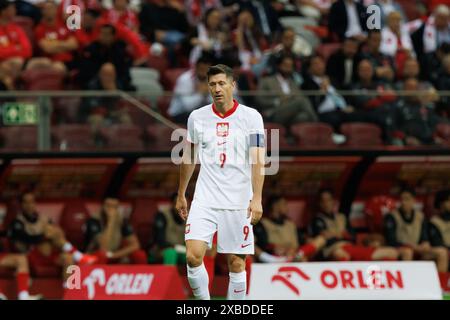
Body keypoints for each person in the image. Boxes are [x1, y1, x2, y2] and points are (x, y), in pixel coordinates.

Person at [176, 64, 265, 300]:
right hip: (205, 198)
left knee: (236, 264)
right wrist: (181, 193)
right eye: (212, 84)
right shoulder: (197, 117)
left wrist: (256, 198)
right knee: (193, 256)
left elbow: (258, 160)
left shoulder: (251, 117)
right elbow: (189, 157)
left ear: (232, 85)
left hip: (238, 200)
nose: (217, 88)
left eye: (222, 83)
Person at [7, 192, 98, 284]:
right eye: (26, 202)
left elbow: (59, 234)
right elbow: (28, 239)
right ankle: (78, 255)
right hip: (32, 255)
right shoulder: (17, 222)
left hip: (50, 253)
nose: (29, 205)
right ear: (21, 205)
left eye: (32, 202)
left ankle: (69, 291)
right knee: (50, 231)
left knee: (68, 258)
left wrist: (54, 233)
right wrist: (46, 235)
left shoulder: (43, 218)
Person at [311, 188, 399, 261]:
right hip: (333, 249)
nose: (326, 204)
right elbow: (323, 240)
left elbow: (352, 236)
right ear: (320, 203)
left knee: (392, 252)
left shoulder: (341, 217)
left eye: (329, 200)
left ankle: (381, 280)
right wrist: (341, 234)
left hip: (351, 247)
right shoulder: (317, 219)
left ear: (333, 201)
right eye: (323, 201)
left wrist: (335, 234)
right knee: (341, 254)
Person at [384, 187, 449, 272]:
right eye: (401, 199)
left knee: (442, 252)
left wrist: (425, 243)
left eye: (407, 199)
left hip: (419, 249)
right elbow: (391, 241)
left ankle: (440, 282)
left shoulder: (420, 216)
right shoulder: (392, 216)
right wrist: (412, 246)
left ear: (413, 200)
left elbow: (424, 236)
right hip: (401, 249)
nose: (403, 202)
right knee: (408, 252)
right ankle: (407, 281)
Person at [253, 195, 326, 263]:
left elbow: (301, 240)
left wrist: (307, 241)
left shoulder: (290, 224)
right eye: (284, 204)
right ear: (275, 206)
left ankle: (297, 255)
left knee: (320, 240)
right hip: (277, 256)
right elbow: (262, 244)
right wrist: (280, 249)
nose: (287, 208)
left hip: (295, 253)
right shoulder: (263, 223)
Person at [256, 54, 318, 129]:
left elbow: (301, 98)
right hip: (274, 112)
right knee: (301, 101)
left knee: (304, 116)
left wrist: (291, 99)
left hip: (291, 113)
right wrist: (278, 101)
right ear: (279, 65)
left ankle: (290, 137)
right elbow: (259, 99)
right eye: (285, 65)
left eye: (290, 66)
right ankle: (318, 124)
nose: (288, 68)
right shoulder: (267, 81)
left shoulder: (294, 83)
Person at [83, 196, 147, 264]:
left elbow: (135, 245)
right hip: (94, 255)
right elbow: (104, 247)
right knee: (102, 255)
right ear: (103, 206)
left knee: (140, 254)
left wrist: (114, 255)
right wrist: (111, 221)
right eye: (108, 205)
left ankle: (143, 273)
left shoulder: (122, 221)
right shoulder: (94, 221)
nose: (111, 209)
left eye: (114, 206)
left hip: (114, 254)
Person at [168, 55, 214, 124]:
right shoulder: (185, 79)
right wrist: (201, 94)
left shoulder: (212, 79)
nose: (204, 73)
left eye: (207, 70)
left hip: (199, 112)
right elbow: (187, 106)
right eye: (201, 69)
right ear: (196, 68)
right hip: (179, 113)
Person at [429, 189, 450, 268]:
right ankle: (442, 280)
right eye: (448, 201)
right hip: (439, 252)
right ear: (441, 203)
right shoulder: (434, 222)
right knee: (443, 252)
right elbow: (437, 243)